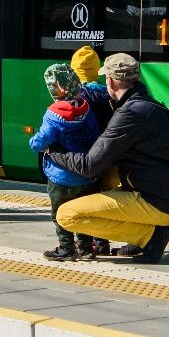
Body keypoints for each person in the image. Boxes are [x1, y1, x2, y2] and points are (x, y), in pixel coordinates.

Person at [45, 53, 169, 264]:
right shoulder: (146, 104)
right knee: (106, 180)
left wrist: (54, 153)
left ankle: (149, 236)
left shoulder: (129, 114)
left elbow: (89, 166)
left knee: (66, 215)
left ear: (110, 80)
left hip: (160, 202)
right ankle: (146, 235)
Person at [29, 64, 107, 261]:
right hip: (85, 175)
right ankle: (86, 249)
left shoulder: (54, 115)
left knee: (60, 213)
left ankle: (66, 248)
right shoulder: (87, 110)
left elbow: (41, 141)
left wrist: (34, 142)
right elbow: (95, 136)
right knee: (83, 213)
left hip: (60, 177)